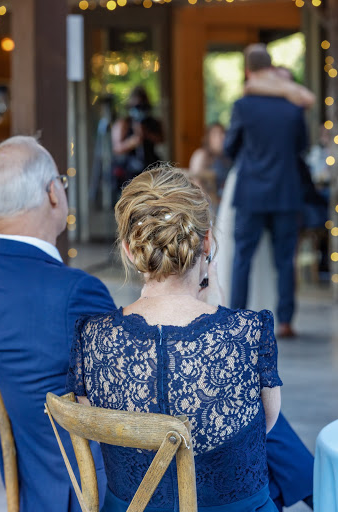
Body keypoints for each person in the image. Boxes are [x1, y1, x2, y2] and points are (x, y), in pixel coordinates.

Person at [67, 165, 282, 512]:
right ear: (208, 241)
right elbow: (265, 426)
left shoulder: (92, 338)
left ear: (128, 249)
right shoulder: (247, 333)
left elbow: (97, 429)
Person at [0, 136, 115, 512]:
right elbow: (124, 396)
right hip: (90, 493)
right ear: (54, 193)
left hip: (32, 489)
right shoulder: (77, 292)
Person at [224, 44, 308, 339]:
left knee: (242, 257)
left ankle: (237, 315)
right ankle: (285, 321)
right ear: (271, 68)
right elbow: (301, 147)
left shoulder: (243, 106)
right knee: (285, 259)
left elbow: (229, 147)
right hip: (286, 190)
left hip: (251, 192)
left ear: (248, 70)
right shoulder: (292, 106)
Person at [111, 86, 163, 195]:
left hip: (150, 165)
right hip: (129, 168)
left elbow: (161, 139)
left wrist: (146, 134)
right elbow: (117, 148)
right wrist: (132, 142)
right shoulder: (124, 123)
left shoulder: (152, 122)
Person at [189, 122, 232, 209]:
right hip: (208, 205)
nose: (221, 137)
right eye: (215, 134)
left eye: (222, 133)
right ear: (208, 138)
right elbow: (196, 184)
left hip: (225, 202)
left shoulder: (227, 158)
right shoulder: (201, 155)